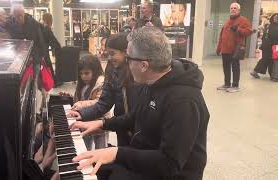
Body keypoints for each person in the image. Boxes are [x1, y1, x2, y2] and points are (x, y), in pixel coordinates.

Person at [70, 26, 210, 180]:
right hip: (144, 160)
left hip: (168, 173)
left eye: (128, 59)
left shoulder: (183, 101)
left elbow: (169, 163)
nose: (126, 64)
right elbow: (134, 117)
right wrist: (101, 124)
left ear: (144, 65)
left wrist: (117, 153)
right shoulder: (152, 82)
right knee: (80, 167)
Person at [69, 33, 135, 147]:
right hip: (121, 125)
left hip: (135, 128)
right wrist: (81, 114)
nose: (109, 57)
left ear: (125, 52)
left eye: (112, 53)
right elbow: (104, 103)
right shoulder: (112, 70)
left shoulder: (136, 73)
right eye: (108, 53)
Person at [71, 54, 111, 150]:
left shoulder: (101, 84)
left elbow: (99, 102)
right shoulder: (82, 85)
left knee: (101, 148)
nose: (83, 77)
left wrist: (81, 104)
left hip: (100, 123)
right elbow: (79, 99)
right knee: (84, 147)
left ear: (95, 71)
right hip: (85, 121)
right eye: (81, 74)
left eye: (86, 73)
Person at [216, 2, 252, 93]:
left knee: (235, 67)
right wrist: (218, 48)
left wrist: (238, 29)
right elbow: (222, 35)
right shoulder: (228, 21)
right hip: (225, 49)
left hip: (235, 49)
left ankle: (235, 85)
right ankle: (227, 84)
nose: (233, 10)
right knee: (226, 67)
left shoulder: (243, 20)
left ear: (239, 10)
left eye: (235, 8)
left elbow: (248, 32)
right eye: (231, 8)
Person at [251, 13, 278, 80]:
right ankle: (273, 76)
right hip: (272, 46)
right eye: (276, 18)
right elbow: (273, 36)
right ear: (273, 18)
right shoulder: (274, 27)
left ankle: (272, 75)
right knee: (270, 60)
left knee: (266, 59)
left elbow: (264, 36)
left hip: (266, 45)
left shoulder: (268, 26)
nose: (276, 19)